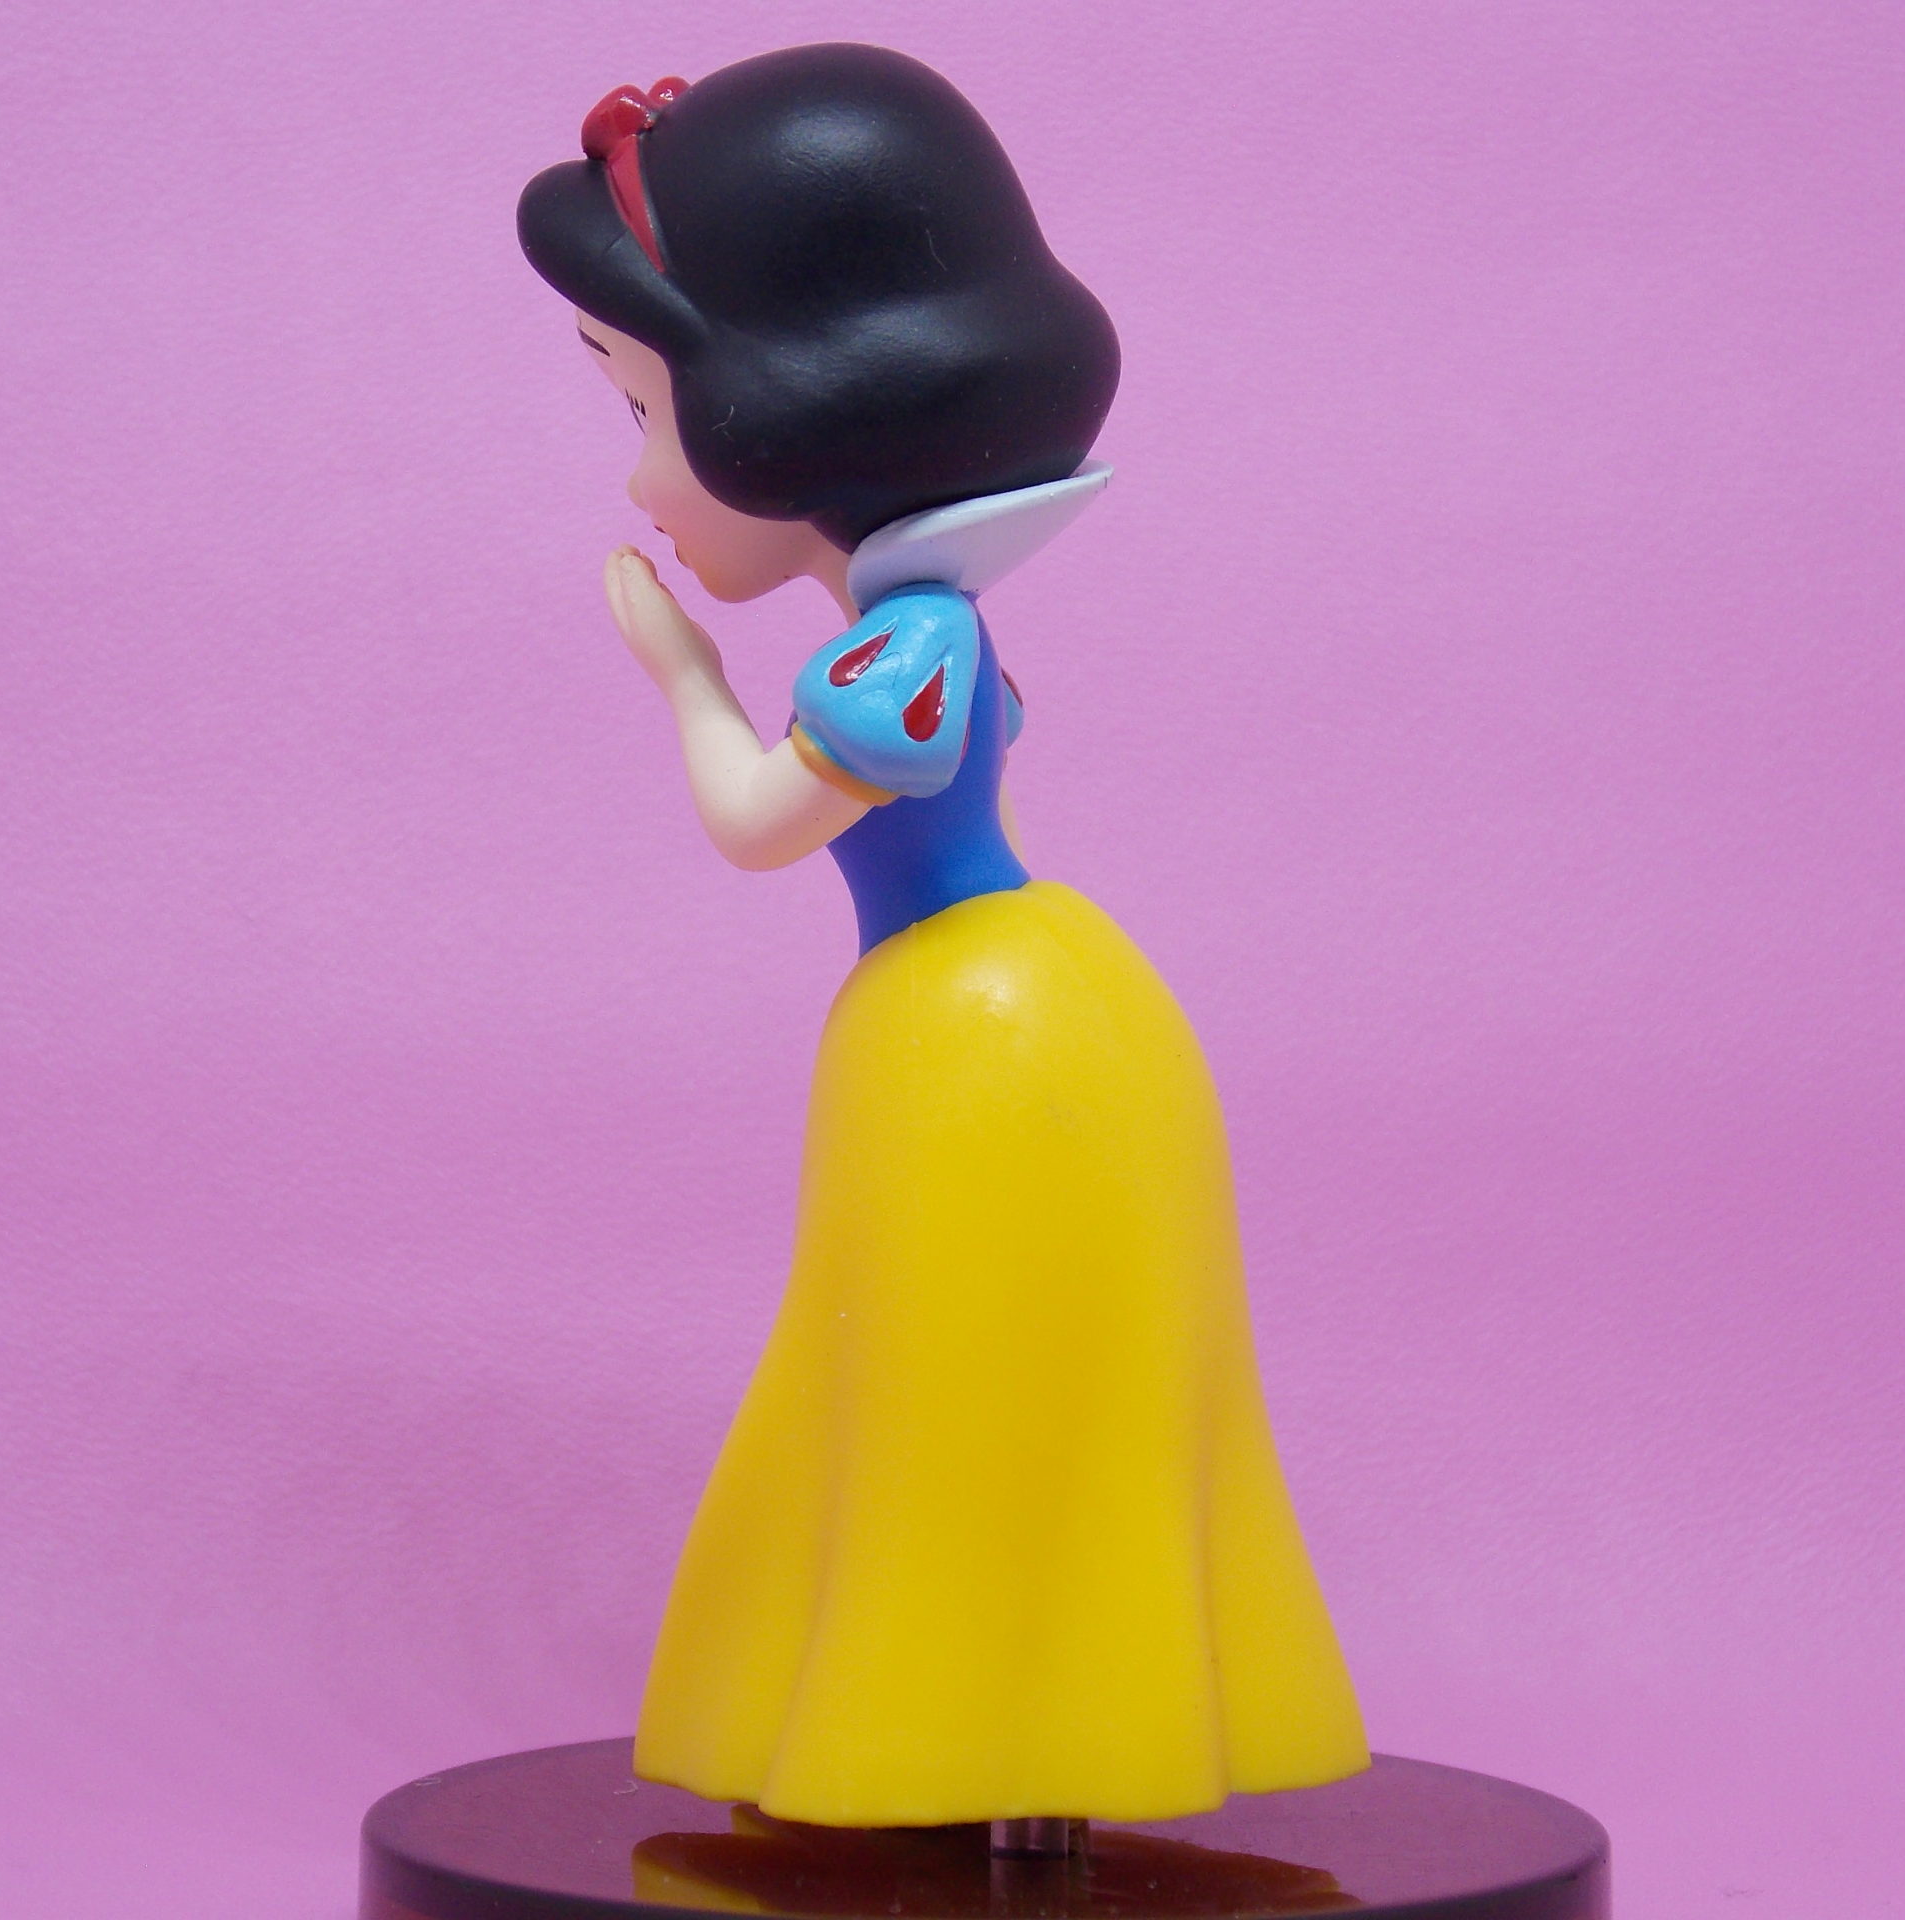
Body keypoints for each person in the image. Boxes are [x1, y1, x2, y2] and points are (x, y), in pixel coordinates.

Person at [518, 42, 1367, 1831]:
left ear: (781, 406)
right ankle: (984, 1717)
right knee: (928, 1368)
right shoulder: (909, 629)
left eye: (644, 411)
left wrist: (681, 674)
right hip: (1001, 1005)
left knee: (963, 1387)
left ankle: (994, 1728)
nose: (640, 481)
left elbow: (758, 827)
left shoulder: (901, 653)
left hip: (982, 1039)